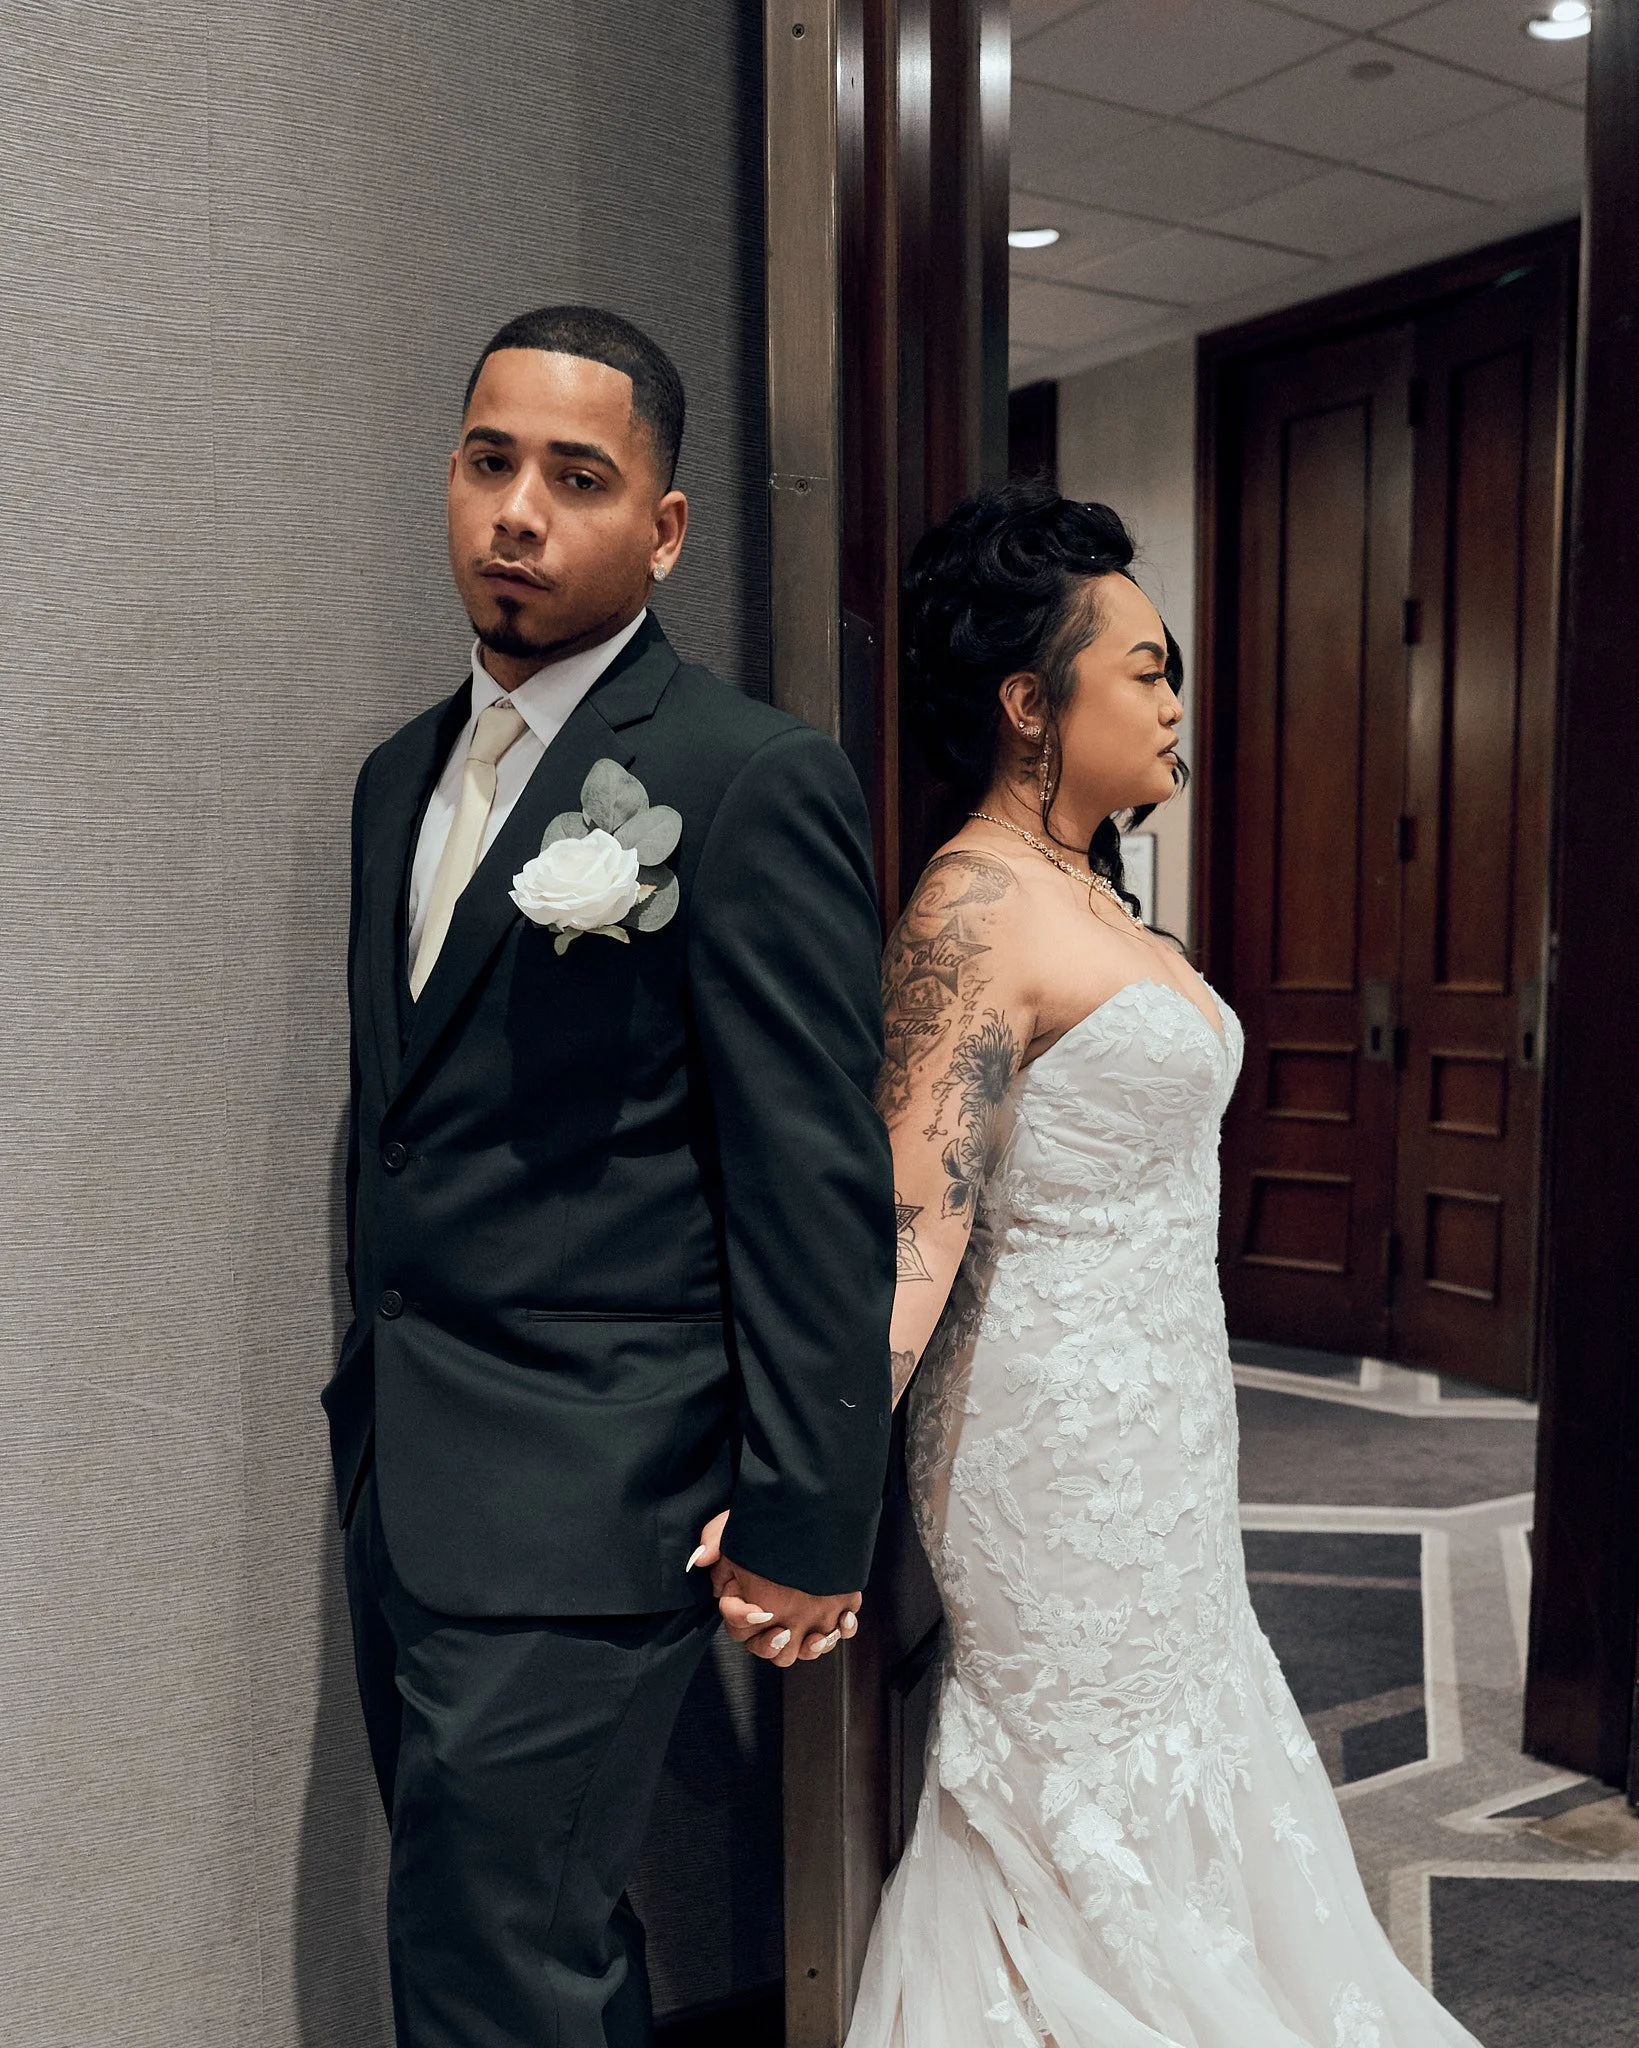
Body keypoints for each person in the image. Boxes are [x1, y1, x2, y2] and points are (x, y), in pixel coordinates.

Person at [838, 480, 1483, 2046]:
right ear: (1026, 703)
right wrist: (802, 1471)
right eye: (1146, 668)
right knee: (1079, 1767)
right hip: (1040, 1443)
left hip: (1163, 1416)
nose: (1175, 701)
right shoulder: (971, 907)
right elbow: (910, 1231)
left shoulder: (1084, 888)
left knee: (1189, 1712)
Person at [322, 304, 895, 2048]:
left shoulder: (749, 779)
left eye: (576, 478)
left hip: (596, 1492)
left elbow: (811, 1176)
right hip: (407, 1470)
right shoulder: (392, 780)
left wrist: (809, 1513)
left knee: (500, 1957)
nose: (518, 511)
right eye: (490, 462)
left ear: (660, 528)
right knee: (502, 1936)